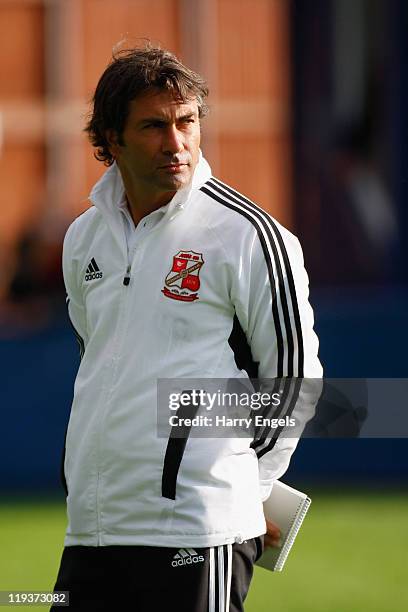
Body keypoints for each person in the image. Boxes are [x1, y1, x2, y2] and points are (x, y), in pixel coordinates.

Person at [51, 43, 322, 611]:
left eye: (187, 122)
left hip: (199, 529)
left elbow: (294, 380)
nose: (176, 143)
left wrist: (251, 482)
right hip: (97, 523)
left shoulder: (249, 235)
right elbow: (97, 359)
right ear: (111, 137)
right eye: (154, 126)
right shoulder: (83, 239)